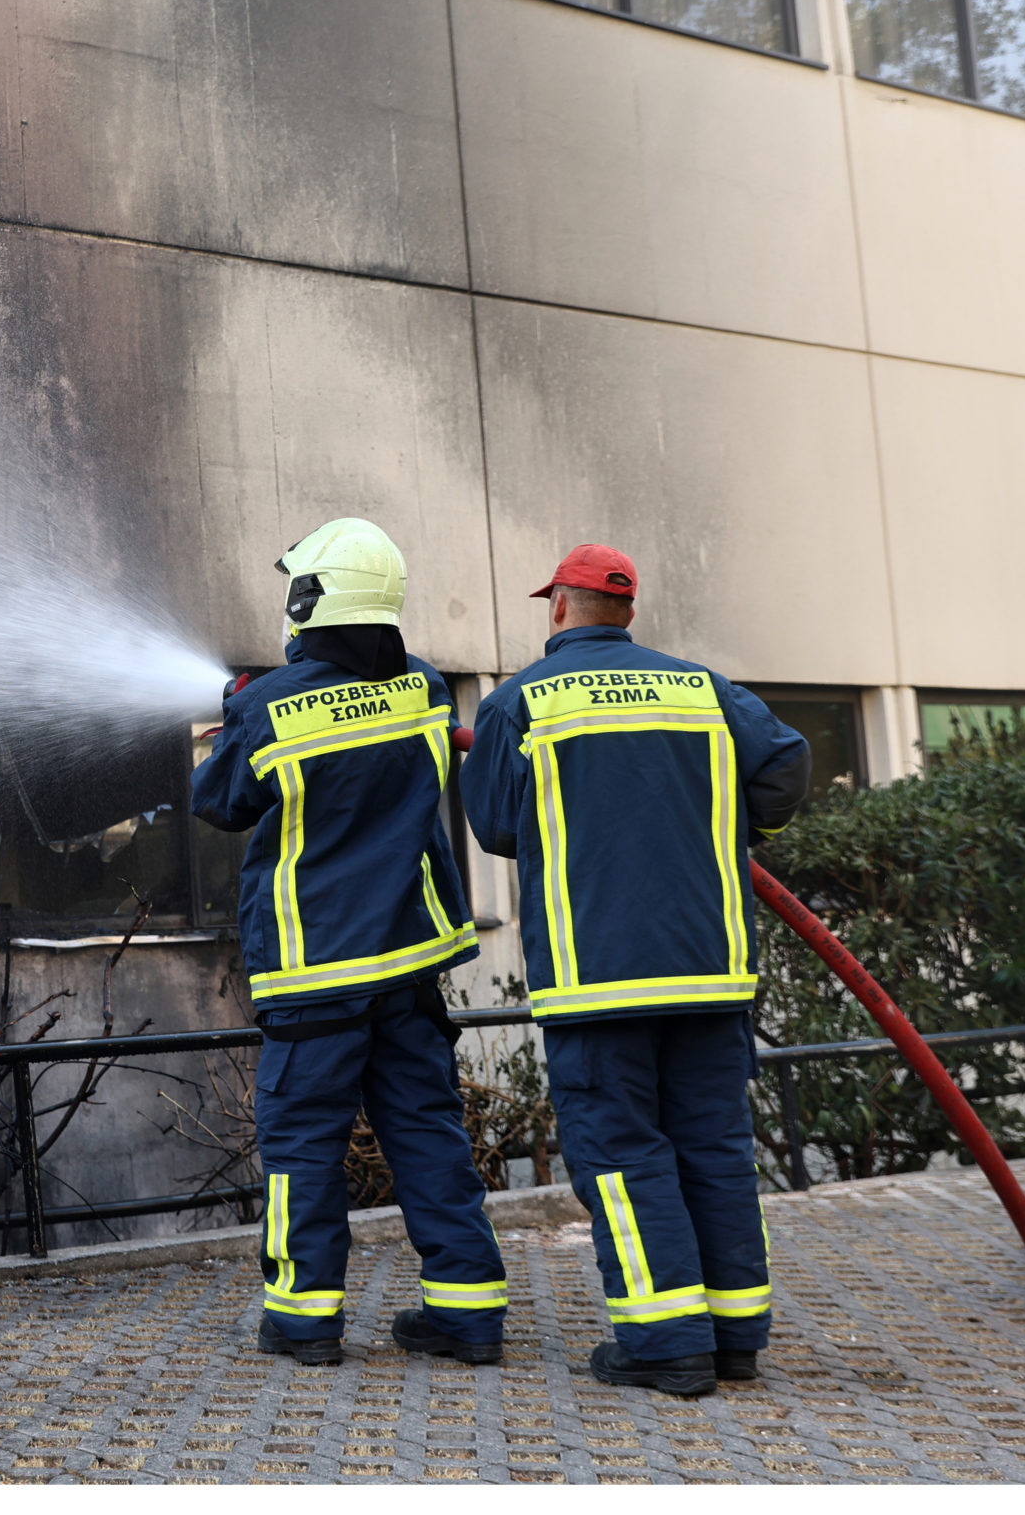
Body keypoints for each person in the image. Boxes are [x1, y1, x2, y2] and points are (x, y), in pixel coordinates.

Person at [460, 544, 809, 1398]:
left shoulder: (520, 703)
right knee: (715, 1146)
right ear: (627, 609)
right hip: (709, 968)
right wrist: (719, 819)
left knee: (623, 1152)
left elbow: (499, 827)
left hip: (599, 977)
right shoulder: (704, 689)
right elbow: (787, 762)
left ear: (558, 609)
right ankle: (734, 1339)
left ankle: (662, 1344)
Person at [192, 518, 509, 1369]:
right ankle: (469, 1312)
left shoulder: (263, 710)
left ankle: (304, 1322)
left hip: (317, 970)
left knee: (304, 1148)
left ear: (308, 600)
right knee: (429, 1134)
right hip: (409, 964)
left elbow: (217, 801)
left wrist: (230, 716)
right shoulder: (427, 689)